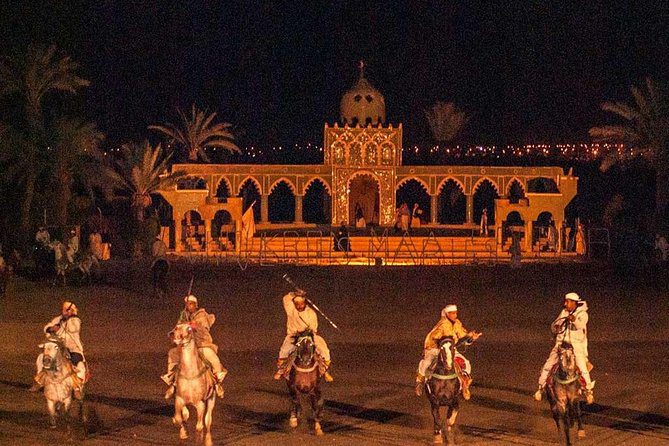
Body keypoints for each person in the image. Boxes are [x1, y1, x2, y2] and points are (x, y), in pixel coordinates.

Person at [534, 292, 595, 404]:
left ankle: (588, 391)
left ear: (574, 303)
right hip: (561, 345)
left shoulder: (583, 314)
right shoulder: (564, 312)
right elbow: (555, 325)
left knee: (582, 367)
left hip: (575, 347)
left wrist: (573, 319)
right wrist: (557, 327)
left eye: (568, 301)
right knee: (548, 364)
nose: (565, 303)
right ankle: (540, 388)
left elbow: (580, 325)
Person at [162, 295, 227, 399]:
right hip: (187, 345)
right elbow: (178, 328)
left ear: (196, 305)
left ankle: (217, 383)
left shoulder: (202, 315)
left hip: (201, 343)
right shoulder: (184, 315)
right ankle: (172, 382)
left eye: (191, 304)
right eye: (187, 304)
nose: (189, 306)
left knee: (212, 357)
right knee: (172, 353)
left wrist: (191, 325)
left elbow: (202, 326)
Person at [415, 304, 482, 399]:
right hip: (435, 349)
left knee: (465, 362)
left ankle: (465, 384)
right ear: (447, 314)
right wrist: (444, 344)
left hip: (450, 348)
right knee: (426, 363)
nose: (455, 315)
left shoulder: (457, 323)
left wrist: (471, 338)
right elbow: (433, 338)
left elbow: (463, 336)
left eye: (456, 313)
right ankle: (419, 382)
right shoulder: (442, 325)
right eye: (452, 313)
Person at [273, 289, 333, 382]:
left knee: (324, 349)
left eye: (301, 303)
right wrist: (294, 294)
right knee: (284, 350)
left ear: (304, 302)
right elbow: (286, 299)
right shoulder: (291, 309)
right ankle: (281, 370)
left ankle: (325, 371)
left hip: (309, 335)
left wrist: (307, 333)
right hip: (293, 335)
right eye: (297, 304)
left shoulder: (311, 313)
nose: (299, 306)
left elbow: (314, 328)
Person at [30, 301, 86, 399]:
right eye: (64, 310)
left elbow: (73, 329)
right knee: (41, 358)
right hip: (57, 347)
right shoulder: (59, 319)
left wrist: (60, 327)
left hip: (72, 348)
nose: (64, 312)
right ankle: (40, 381)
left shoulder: (75, 320)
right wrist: (51, 328)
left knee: (78, 364)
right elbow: (47, 327)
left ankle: (77, 388)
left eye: (66, 310)